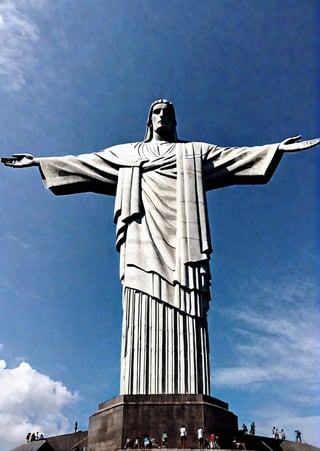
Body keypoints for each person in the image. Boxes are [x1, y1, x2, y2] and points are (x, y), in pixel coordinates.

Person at [2, 100, 319, 396]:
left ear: (175, 121)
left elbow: (234, 157)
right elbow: (86, 163)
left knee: (189, 302)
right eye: (157, 112)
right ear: (149, 119)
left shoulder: (194, 152)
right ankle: (138, 387)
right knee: (141, 299)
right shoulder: (128, 153)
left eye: (168, 112)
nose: (162, 117)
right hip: (142, 234)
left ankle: (191, 387)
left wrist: (276, 149)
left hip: (184, 242)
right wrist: (39, 162)